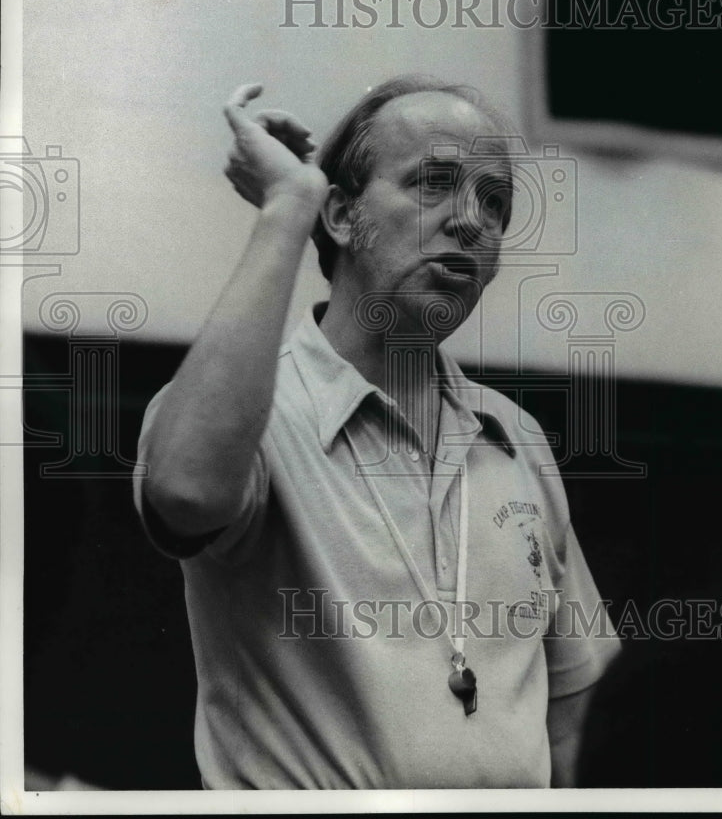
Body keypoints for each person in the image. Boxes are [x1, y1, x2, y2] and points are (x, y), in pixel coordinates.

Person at [133, 75, 620, 790]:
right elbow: (181, 492)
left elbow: (580, 712)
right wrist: (285, 208)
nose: (471, 222)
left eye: (495, 204)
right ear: (340, 214)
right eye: (434, 183)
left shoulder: (515, 436)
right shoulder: (255, 410)